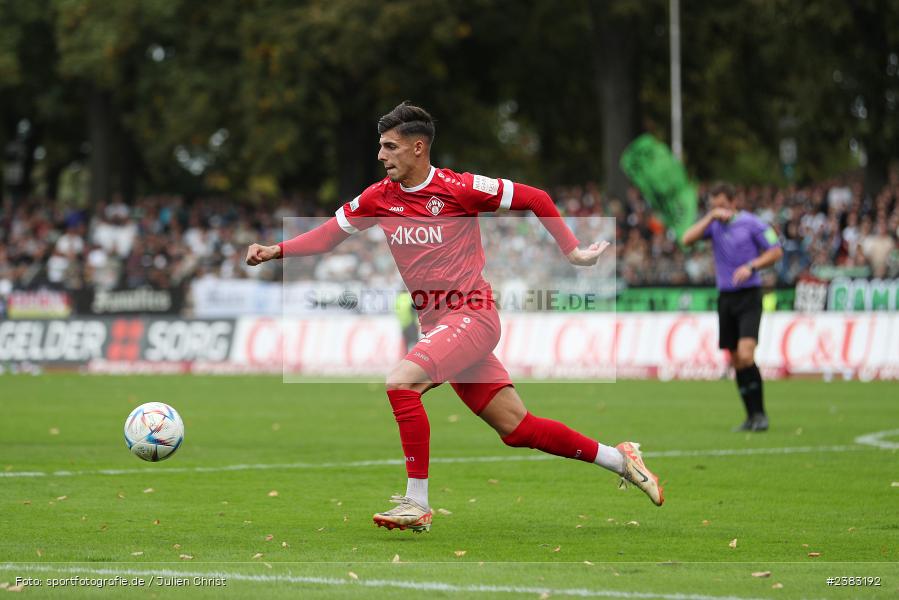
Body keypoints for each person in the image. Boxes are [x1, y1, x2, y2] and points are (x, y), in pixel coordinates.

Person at [246, 102, 664, 533]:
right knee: (517, 428)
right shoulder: (379, 197)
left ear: (418, 147)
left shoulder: (461, 188)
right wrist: (278, 250)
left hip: (473, 316)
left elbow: (535, 197)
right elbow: (329, 234)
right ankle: (620, 458)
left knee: (401, 382)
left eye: (390, 147)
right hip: (441, 327)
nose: (380, 155)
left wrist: (572, 251)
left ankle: (416, 502)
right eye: (380, 146)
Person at [681, 183, 783, 432]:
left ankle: (761, 414)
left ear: (734, 202)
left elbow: (776, 251)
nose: (719, 211)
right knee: (737, 360)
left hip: (749, 295)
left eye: (722, 205)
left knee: (747, 354)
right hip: (725, 298)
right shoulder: (713, 225)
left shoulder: (753, 223)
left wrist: (752, 266)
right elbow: (686, 240)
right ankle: (750, 417)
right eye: (714, 206)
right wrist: (710, 217)